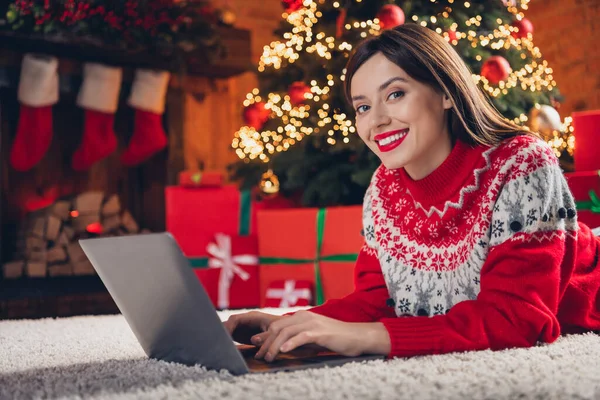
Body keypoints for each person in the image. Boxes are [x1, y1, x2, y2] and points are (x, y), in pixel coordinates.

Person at [224, 23, 600, 363]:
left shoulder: (522, 163)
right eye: (363, 107)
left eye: (395, 94)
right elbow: (376, 302)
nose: (377, 120)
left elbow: (515, 319)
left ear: (446, 93)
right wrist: (288, 325)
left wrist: (366, 338)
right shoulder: (382, 189)